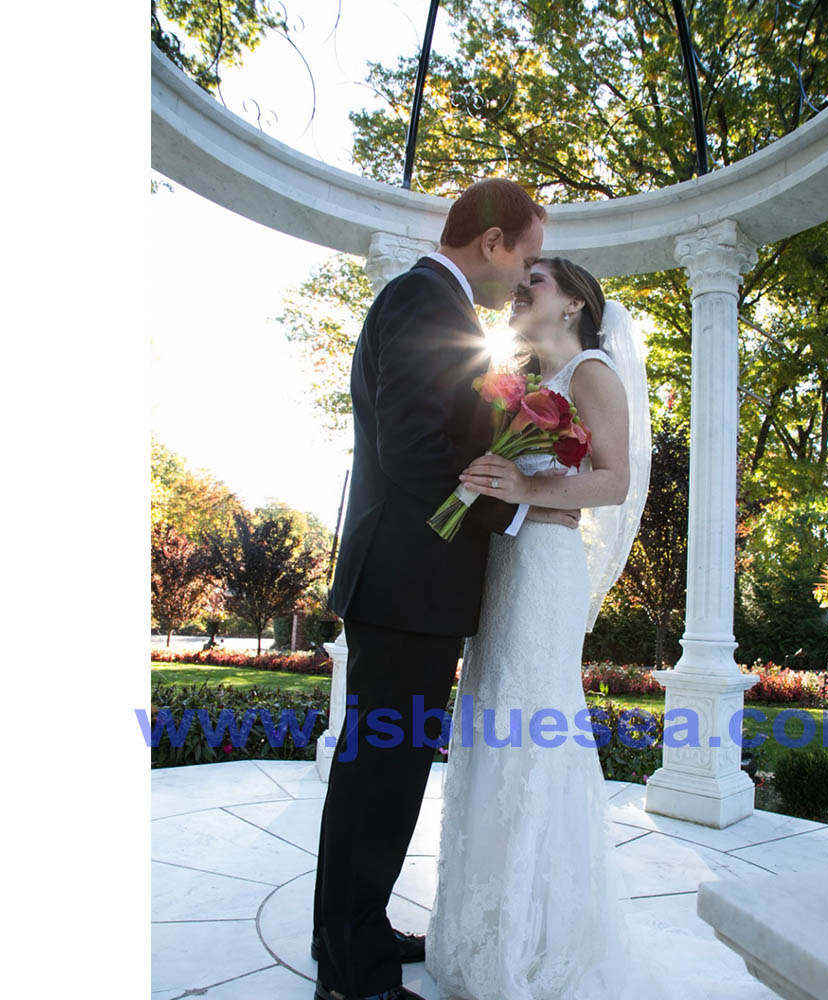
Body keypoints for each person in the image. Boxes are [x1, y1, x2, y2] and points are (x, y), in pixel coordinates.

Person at [424, 259, 778, 1000]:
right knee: (491, 725)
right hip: (502, 566)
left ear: (577, 302)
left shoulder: (591, 373)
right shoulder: (518, 386)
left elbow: (615, 479)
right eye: (521, 281)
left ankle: (534, 940)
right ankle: (477, 925)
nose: (521, 289)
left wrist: (525, 482)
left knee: (530, 730)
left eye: (538, 280)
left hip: (545, 569)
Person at [312, 179, 579, 1000]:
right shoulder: (429, 301)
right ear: (493, 241)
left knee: (381, 772)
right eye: (526, 256)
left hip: (407, 582)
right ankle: (353, 972)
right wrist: (507, 511)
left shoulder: (435, 304)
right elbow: (413, 453)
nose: (524, 274)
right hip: (405, 579)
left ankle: (353, 933)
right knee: (381, 775)